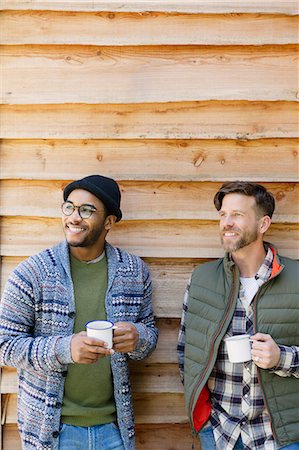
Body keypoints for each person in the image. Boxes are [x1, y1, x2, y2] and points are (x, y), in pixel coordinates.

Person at [0, 175, 158, 450]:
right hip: (52, 433)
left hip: (114, 430)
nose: (74, 217)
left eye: (86, 210)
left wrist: (139, 337)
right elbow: (5, 345)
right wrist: (64, 349)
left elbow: (148, 334)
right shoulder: (32, 273)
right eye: (69, 207)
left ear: (109, 222)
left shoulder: (134, 272)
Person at [177, 181, 299, 450]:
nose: (226, 222)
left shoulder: (297, 280)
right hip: (220, 433)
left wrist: (281, 358)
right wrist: (205, 419)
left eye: (237, 215)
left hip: (282, 437)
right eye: (223, 214)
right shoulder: (201, 280)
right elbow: (186, 352)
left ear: (263, 224)